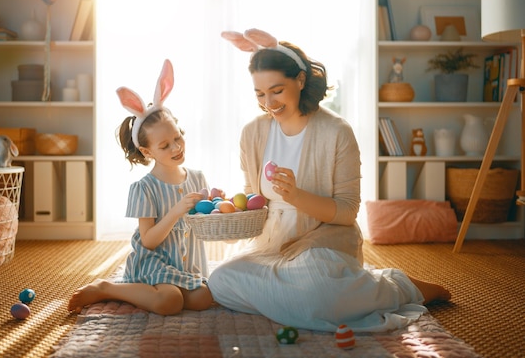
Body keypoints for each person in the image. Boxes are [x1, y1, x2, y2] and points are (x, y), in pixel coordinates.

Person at [208, 28, 451, 332]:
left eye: (277, 90)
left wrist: (297, 196)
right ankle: (320, 294)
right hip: (272, 244)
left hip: (321, 243)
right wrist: (227, 214)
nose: (269, 102)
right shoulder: (252, 133)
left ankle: (398, 286)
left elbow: (347, 212)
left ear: (300, 80)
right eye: (260, 94)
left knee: (316, 293)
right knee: (219, 281)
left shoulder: (337, 131)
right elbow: (253, 199)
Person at [68, 59, 214, 315]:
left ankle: (161, 290)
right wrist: (178, 209)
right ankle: (106, 288)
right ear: (147, 151)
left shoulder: (198, 178)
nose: (176, 148)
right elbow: (148, 241)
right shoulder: (144, 188)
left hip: (185, 266)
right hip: (153, 261)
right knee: (170, 302)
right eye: (165, 145)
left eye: (177, 138)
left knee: (203, 299)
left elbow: (205, 221)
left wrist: (218, 207)